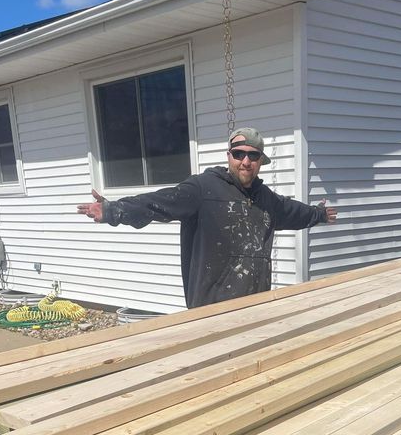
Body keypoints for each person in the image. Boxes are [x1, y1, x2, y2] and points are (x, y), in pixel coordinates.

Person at [77, 127, 337, 309]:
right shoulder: (202, 189)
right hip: (210, 310)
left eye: (253, 156)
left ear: (260, 162)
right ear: (229, 157)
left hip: (255, 305)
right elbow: (158, 202)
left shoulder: (266, 199)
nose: (245, 161)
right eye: (239, 154)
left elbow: (294, 212)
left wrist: (319, 214)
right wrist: (113, 210)